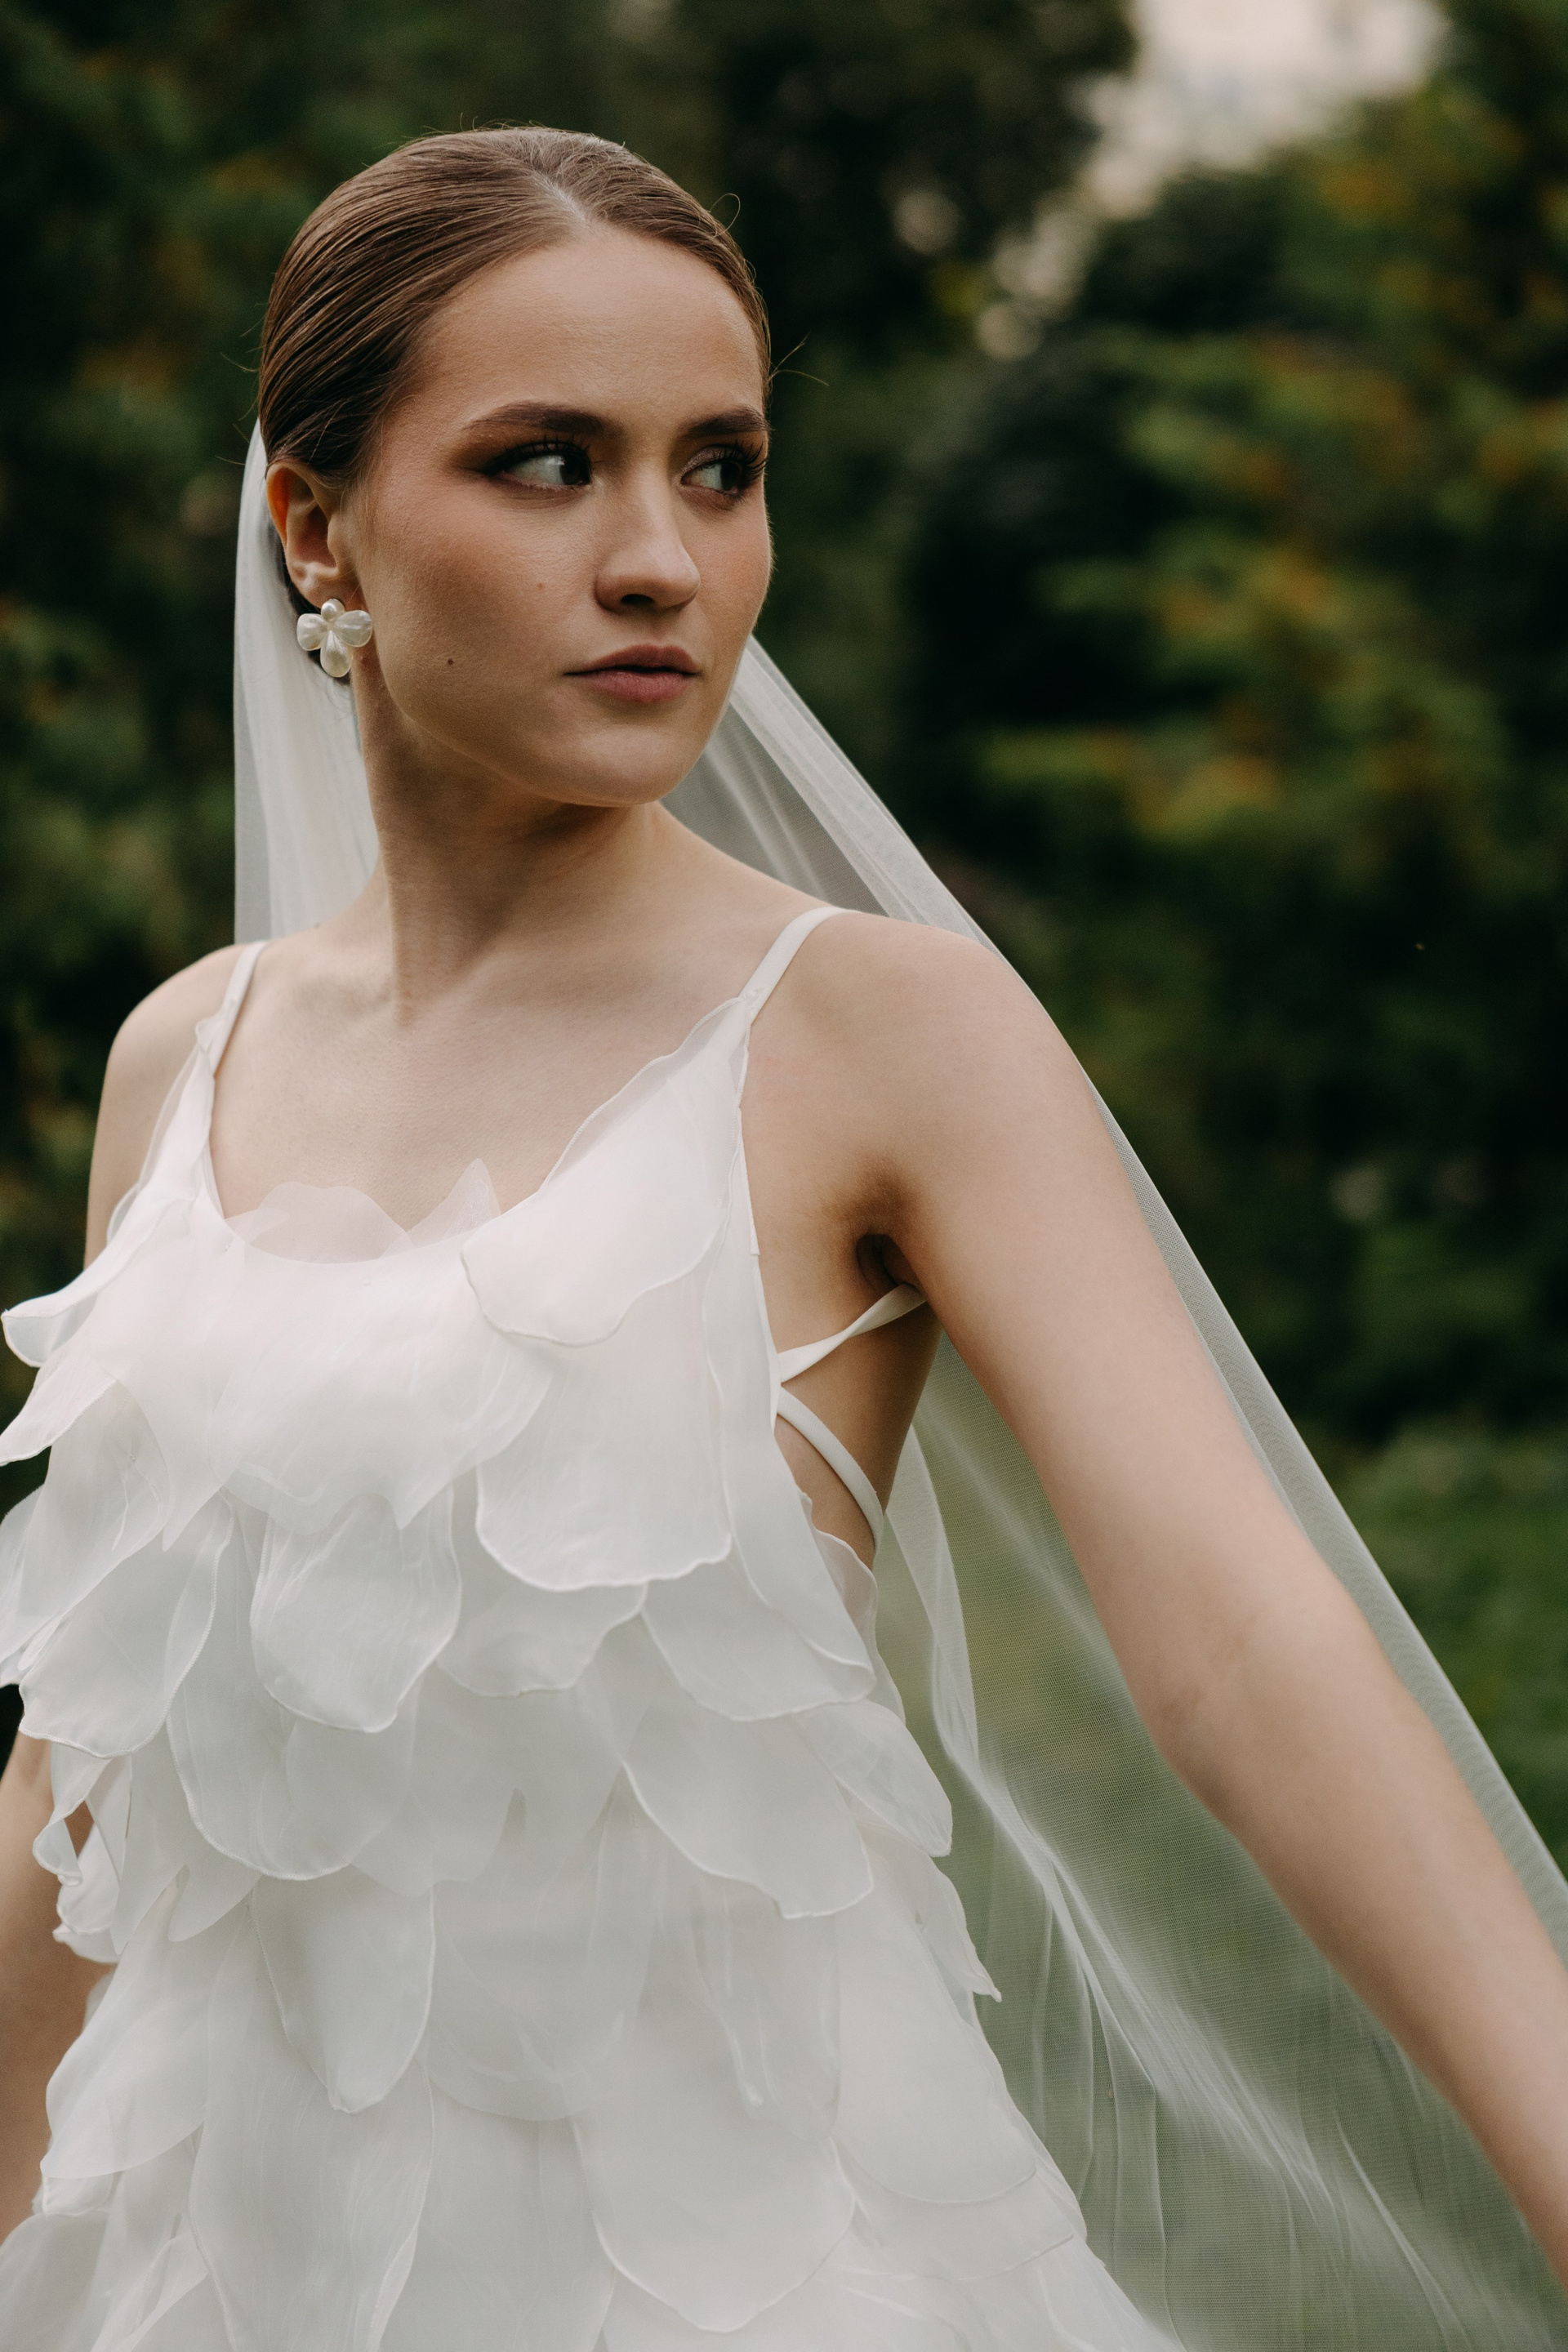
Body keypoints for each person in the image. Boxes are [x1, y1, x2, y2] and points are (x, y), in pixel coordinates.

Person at [0, 124, 1565, 2352]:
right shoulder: (185, 1060)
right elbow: (86, 1774)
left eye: (720, 470)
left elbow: (1243, 1650)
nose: (662, 559)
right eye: (549, 464)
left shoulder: (881, 1033)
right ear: (316, 524)